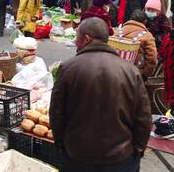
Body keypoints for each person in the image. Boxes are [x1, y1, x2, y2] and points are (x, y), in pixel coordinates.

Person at [50, 18, 151, 172]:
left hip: (78, 156)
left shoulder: (68, 68)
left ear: (87, 39)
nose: (75, 42)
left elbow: (57, 114)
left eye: (77, 37)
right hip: (121, 157)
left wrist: (61, 145)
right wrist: (138, 148)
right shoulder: (131, 71)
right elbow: (143, 117)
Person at [121, 10, 158, 79]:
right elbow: (152, 58)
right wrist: (144, 73)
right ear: (145, 21)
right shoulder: (147, 36)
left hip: (115, 71)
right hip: (135, 74)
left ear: (131, 19)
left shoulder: (118, 31)